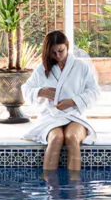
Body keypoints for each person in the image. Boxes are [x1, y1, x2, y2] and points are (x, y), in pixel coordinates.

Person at [21, 30, 100, 172]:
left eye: (60, 51)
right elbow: (26, 89)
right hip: (51, 116)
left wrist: (74, 101)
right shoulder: (42, 69)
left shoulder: (81, 67)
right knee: (56, 138)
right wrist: (40, 92)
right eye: (53, 52)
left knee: (71, 138)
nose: (57, 56)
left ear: (67, 46)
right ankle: (50, 188)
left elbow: (95, 92)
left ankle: (75, 187)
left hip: (74, 115)